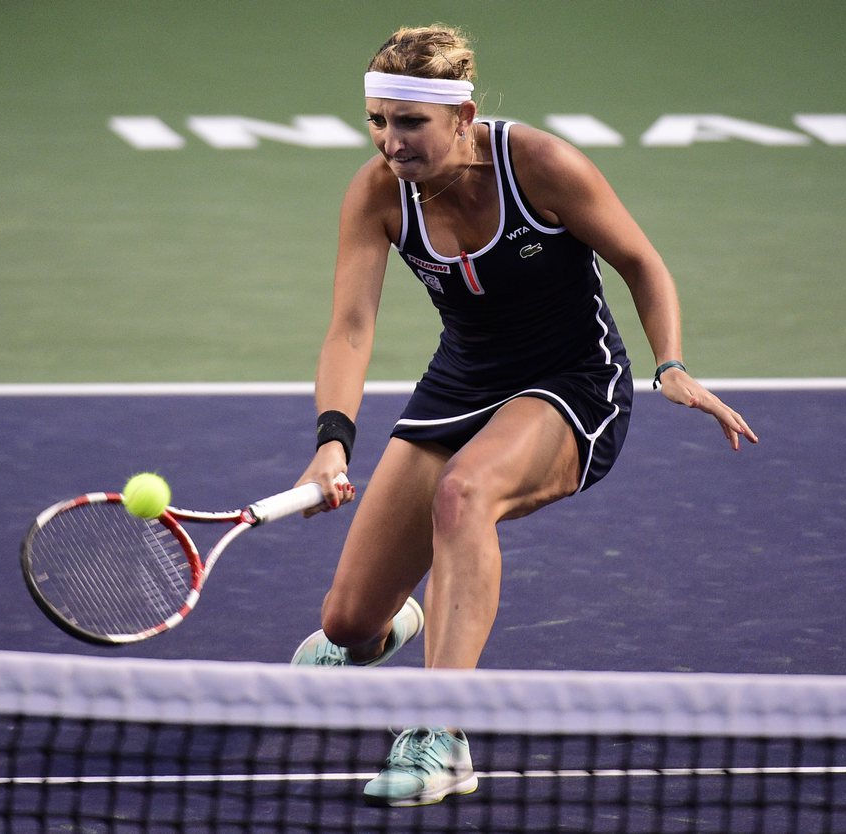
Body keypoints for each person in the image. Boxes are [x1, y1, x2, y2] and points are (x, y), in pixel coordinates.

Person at [290, 23, 758, 806]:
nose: (390, 142)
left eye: (411, 123)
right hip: (464, 379)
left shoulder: (538, 165)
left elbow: (641, 261)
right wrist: (332, 442)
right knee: (345, 625)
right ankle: (399, 624)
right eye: (378, 120)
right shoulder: (377, 193)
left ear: (463, 116)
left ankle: (443, 734)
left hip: (573, 379)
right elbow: (351, 327)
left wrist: (669, 363)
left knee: (465, 495)